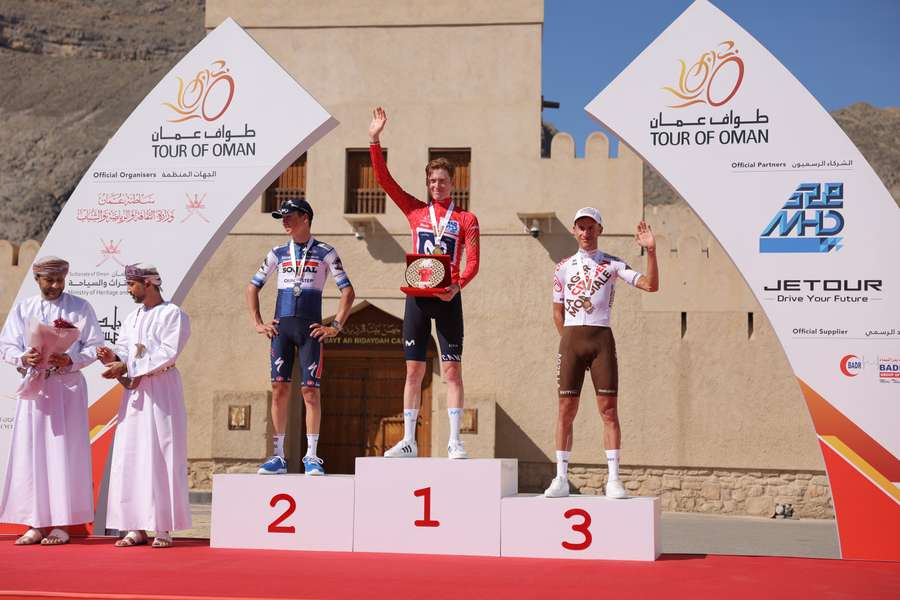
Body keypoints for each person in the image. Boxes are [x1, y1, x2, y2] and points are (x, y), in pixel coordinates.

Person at [368, 107, 481, 459]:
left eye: (442, 180)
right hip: (417, 297)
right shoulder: (416, 211)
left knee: (451, 370)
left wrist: (457, 285)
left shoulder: (466, 219)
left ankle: (454, 440)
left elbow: (473, 261)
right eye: (432, 181)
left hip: (448, 298)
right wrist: (374, 140)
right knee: (413, 370)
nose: (437, 186)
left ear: (453, 182)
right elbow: (385, 181)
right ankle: (409, 440)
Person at [545, 208, 659, 499]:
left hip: (601, 340)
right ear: (574, 230)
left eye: (591, 227)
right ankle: (560, 477)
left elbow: (651, 285)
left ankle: (614, 479)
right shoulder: (562, 267)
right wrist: (569, 342)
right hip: (571, 339)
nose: (586, 232)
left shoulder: (612, 264)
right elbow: (556, 312)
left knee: (608, 411)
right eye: (581, 227)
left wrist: (651, 251)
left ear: (600, 229)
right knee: (565, 411)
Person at [247, 198, 355, 476]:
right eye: (281, 217)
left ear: (305, 218)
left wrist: (336, 326)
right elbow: (252, 288)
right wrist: (258, 323)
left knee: (310, 391)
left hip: (310, 329)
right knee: (279, 390)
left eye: (289, 216)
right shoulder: (277, 253)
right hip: (282, 329)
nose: (284, 221)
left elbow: (348, 291)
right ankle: (278, 456)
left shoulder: (326, 252)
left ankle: (311, 456)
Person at [0, 256, 103, 545]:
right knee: (32, 454)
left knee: (62, 455)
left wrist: (69, 358)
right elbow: (6, 344)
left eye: (60, 280)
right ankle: (35, 523)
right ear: (38, 280)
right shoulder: (25, 308)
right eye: (50, 280)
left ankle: (61, 524)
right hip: (35, 391)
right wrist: (24, 357)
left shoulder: (80, 307)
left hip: (66, 390)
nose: (56, 285)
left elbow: (95, 346)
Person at [97, 264, 191, 547]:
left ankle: (163, 528)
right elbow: (125, 349)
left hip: (162, 390)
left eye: (132, 285)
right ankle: (134, 526)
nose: (129, 290)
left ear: (149, 284)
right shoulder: (132, 317)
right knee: (131, 455)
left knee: (163, 453)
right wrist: (112, 356)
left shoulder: (173, 314)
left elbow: (167, 352)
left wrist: (125, 364)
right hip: (135, 394)